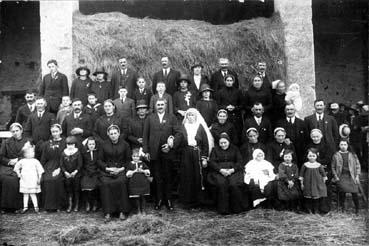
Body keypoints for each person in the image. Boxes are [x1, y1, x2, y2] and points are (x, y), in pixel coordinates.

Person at [143, 99, 181, 211]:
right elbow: (145, 135)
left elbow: (178, 133)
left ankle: (168, 200)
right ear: (155, 106)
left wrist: (171, 144)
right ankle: (159, 200)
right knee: (158, 177)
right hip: (154, 153)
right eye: (158, 105)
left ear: (165, 105)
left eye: (162, 104)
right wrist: (146, 151)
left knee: (168, 176)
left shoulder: (172, 117)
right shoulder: (150, 118)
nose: (160, 106)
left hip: (167, 152)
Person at [179, 108, 213, 209]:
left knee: (198, 175)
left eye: (192, 115)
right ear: (186, 117)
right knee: (187, 175)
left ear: (196, 116)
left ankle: (199, 201)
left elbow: (205, 143)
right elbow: (180, 140)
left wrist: (204, 158)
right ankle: (188, 201)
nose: (190, 117)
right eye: (188, 115)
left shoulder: (200, 126)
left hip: (197, 152)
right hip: (186, 152)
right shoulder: (183, 126)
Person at [97, 125, 131, 222]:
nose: (113, 136)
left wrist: (120, 169)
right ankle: (108, 212)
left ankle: (122, 211)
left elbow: (128, 160)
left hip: (121, 170)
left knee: (121, 182)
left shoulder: (125, 145)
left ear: (119, 134)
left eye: (115, 133)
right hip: (107, 171)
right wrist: (107, 168)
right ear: (108, 134)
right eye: (111, 134)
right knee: (105, 183)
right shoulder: (103, 145)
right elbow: (99, 160)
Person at [207, 132, 246, 214]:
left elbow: (240, 161)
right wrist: (220, 170)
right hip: (219, 171)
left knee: (234, 184)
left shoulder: (235, 149)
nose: (223, 145)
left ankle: (236, 209)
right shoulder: (215, 150)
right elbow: (212, 162)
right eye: (221, 143)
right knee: (222, 184)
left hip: (233, 171)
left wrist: (233, 170)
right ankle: (223, 209)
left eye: (225, 142)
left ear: (229, 142)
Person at [0, 123, 29, 212]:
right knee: (5, 178)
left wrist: (17, 160)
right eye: (13, 131)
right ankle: (5, 206)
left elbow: (29, 155)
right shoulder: (6, 142)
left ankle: (15, 206)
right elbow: (1, 156)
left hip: (23, 165)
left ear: (21, 131)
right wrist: (9, 162)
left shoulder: (27, 142)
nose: (15, 133)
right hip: (7, 166)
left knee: (15, 179)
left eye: (17, 131)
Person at [40, 124, 66, 211]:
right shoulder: (47, 143)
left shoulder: (65, 142)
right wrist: (40, 170)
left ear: (60, 131)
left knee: (55, 179)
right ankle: (48, 206)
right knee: (47, 179)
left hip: (62, 165)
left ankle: (59, 205)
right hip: (49, 165)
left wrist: (60, 169)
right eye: (53, 132)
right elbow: (43, 158)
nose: (55, 133)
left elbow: (67, 157)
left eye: (56, 131)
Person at [331, 140, 361, 214]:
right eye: (341, 144)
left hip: (351, 176)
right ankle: (342, 209)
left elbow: (358, 166)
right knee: (342, 192)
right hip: (341, 176)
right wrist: (335, 176)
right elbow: (333, 167)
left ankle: (357, 210)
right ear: (339, 145)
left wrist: (357, 176)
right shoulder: (336, 155)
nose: (343, 146)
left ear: (347, 146)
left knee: (354, 192)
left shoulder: (353, 155)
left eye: (345, 144)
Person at [14, 142, 44, 214]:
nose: (33, 153)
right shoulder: (22, 161)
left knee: (33, 194)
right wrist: (18, 173)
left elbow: (40, 170)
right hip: (25, 179)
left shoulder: (35, 161)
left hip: (33, 180)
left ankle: (36, 207)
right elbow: (16, 168)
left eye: (33, 152)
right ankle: (25, 207)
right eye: (30, 152)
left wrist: (39, 178)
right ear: (25, 154)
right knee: (25, 194)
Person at [276, 103, 307, 167]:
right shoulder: (279, 123)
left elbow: (305, 137)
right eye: (287, 110)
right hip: (286, 150)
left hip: (299, 151)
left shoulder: (302, 123)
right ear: (285, 111)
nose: (289, 111)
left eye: (291, 109)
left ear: (295, 110)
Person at [299, 148, 328, 214]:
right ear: (307, 156)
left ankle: (316, 210)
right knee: (308, 196)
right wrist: (301, 183)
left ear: (316, 156)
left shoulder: (319, 165)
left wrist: (323, 182)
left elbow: (323, 175)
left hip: (317, 183)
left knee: (316, 197)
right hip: (308, 183)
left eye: (313, 156)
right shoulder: (305, 165)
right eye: (310, 156)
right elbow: (301, 174)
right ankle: (309, 210)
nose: (311, 157)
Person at [60, 136, 82, 213]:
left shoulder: (78, 152)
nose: (70, 146)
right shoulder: (64, 153)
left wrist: (75, 172)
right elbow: (62, 164)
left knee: (76, 189)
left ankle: (76, 205)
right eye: (68, 145)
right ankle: (70, 204)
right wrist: (65, 172)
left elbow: (80, 164)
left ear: (75, 145)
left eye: (72, 144)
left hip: (76, 174)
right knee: (69, 190)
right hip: (67, 175)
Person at [126, 148, 151, 214]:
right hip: (134, 183)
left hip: (143, 183)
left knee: (143, 197)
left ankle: (143, 209)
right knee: (136, 197)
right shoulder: (130, 164)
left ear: (139, 157)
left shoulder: (142, 163)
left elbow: (148, 172)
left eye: (137, 156)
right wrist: (134, 171)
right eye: (134, 156)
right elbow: (127, 173)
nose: (135, 158)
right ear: (131, 156)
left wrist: (142, 171)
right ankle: (138, 210)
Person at [81, 137, 100, 212]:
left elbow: (99, 163)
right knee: (85, 184)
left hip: (95, 172)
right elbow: (83, 164)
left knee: (95, 184)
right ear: (87, 145)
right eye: (90, 144)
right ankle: (87, 203)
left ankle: (95, 203)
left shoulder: (97, 153)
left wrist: (96, 171)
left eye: (93, 144)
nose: (91, 146)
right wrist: (87, 171)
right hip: (87, 172)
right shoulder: (84, 153)